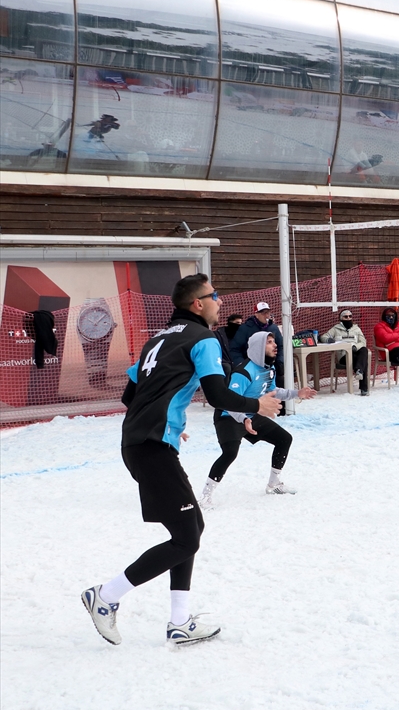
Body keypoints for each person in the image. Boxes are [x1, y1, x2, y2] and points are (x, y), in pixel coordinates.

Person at [81, 274, 282, 646]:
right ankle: (106, 596)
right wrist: (259, 404)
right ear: (197, 304)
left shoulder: (156, 339)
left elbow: (130, 395)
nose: (220, 302)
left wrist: (167, 419)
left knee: (190, 530)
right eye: (215, 296)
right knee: (187, 537)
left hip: (142, 441)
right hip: (151, 445)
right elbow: (218, 394)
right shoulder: (203, 339)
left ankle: (179, 622)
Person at [200, 332, 316, 508]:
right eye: (269, 342)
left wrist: (296, 393)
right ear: (258, 347)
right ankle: (205, 496)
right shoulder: (244, 372)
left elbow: (273, 391)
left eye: (274, 342)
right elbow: (229, 402)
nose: (274, 345)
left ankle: (274, 484)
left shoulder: (269, 369)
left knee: (284, 439)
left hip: (251, 414)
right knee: (230, 453)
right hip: (228, 416)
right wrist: (244, 419)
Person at [321, 309, 370, 396]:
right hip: (344, 355)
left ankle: (359, 370)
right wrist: (328, 339)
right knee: (363, 362)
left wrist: (355, 347)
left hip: (356, 351)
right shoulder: (336, 329)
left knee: (364, 350)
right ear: (341, 318)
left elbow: (363, 342)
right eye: (345, 316)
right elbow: (323, 336)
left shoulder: (357, 329)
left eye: (350, 316)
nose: (348, 318)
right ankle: (363, 387)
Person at [229, 302, 283, 373]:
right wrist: (242, 366)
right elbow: (235, 349)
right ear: (256, 314)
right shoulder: (245, 329)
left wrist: (280, 363)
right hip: (251, 368)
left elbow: (281, 346)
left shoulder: (273, 328)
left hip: (271, 367)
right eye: (263, 313)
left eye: (268, 313)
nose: (267, 316)